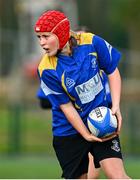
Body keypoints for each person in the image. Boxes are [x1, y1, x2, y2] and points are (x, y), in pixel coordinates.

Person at [34, 10, 130, 179]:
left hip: (101, 122)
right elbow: (66, 106)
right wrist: (85, 134)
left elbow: (112, 71)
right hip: (68, 131)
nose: (41, 42)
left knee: (117, 176)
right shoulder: (46, 68)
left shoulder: (91, 42)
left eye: (46, 36)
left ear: (61, 32)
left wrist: (115, 106)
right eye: (39, 37)